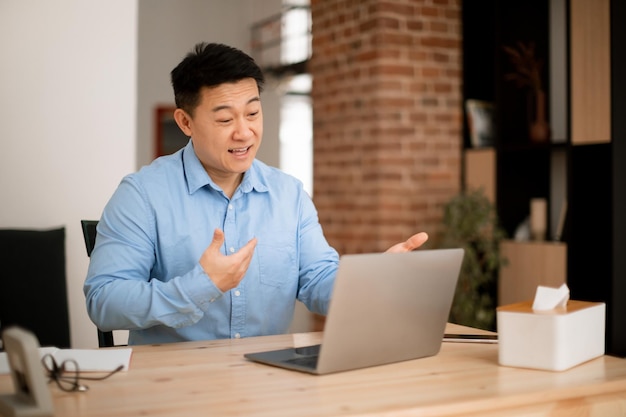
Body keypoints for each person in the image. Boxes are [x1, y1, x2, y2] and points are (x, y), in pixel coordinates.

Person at [84, 42, 428, 345]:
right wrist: (198, 286)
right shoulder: (142, 195)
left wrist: (372, 281)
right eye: (224, 120)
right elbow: (104, 301)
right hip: (173, 386)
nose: (244, 132)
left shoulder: (288, 194)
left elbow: (319, 279)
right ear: (185, 122)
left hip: (270, 380)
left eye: (252, 113)